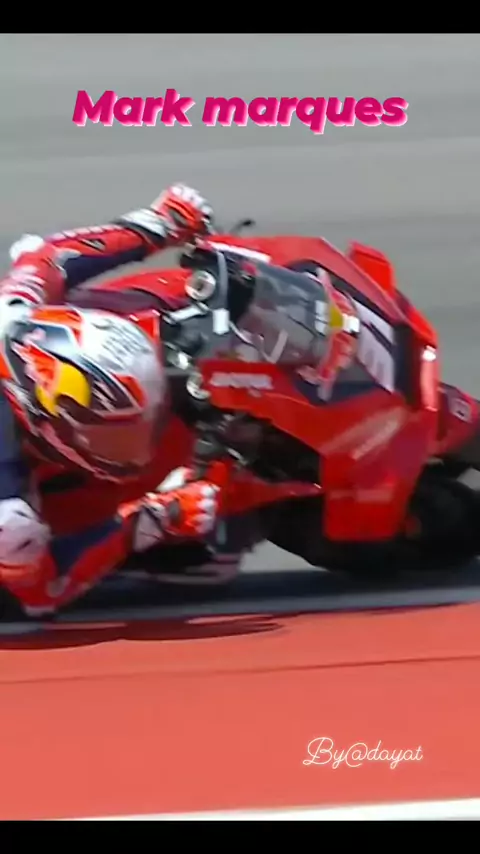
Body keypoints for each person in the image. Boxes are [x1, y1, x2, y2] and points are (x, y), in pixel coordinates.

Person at [0, 183, 228, 618]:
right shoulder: (7, 513)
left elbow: (49, 258)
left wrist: (158, 224)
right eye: (110, 434)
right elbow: (43, 593)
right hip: (12, 533)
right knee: (16, 574)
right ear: (45, 420)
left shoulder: (10, 319)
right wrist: (154, 519)